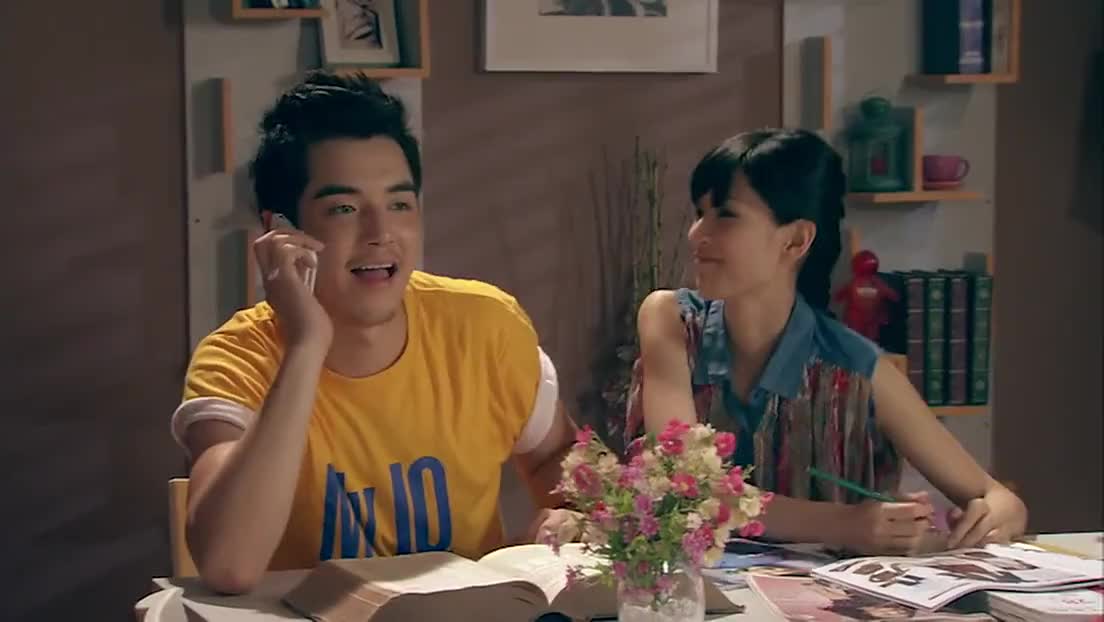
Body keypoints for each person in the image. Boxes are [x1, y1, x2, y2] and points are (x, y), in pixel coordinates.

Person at [171, 71, 578, 594]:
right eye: (344, 209)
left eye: (399, 204)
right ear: (281, 232)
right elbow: (228, 565)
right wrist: (306, 344)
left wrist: (570, 512)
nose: (381, 234)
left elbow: (554, 455)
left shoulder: (485, 325)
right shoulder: (237, 359)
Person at [625, 128, 1027, 555]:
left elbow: (998, 499)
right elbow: (685, 488)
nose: (695, 233)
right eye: (699, 212)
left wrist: (994, 517)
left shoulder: (857, 370)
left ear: (796, 240)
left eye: (725, 215)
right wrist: (845, 524)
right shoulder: (669, 320)